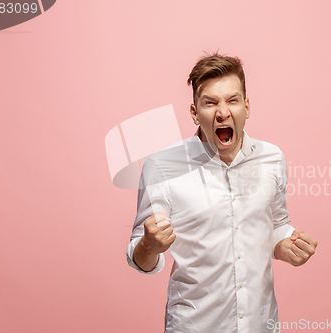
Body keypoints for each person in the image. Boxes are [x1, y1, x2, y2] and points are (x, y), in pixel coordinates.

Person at [126, 53, 318, 333]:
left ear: (247, 106)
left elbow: (276, 226)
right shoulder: (162, 167)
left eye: (232, 100)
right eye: (210, 102)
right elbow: (139, 254)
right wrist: (148, 247)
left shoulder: (272, 158)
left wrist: (286, 246)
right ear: (194, 112)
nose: (223, 112)